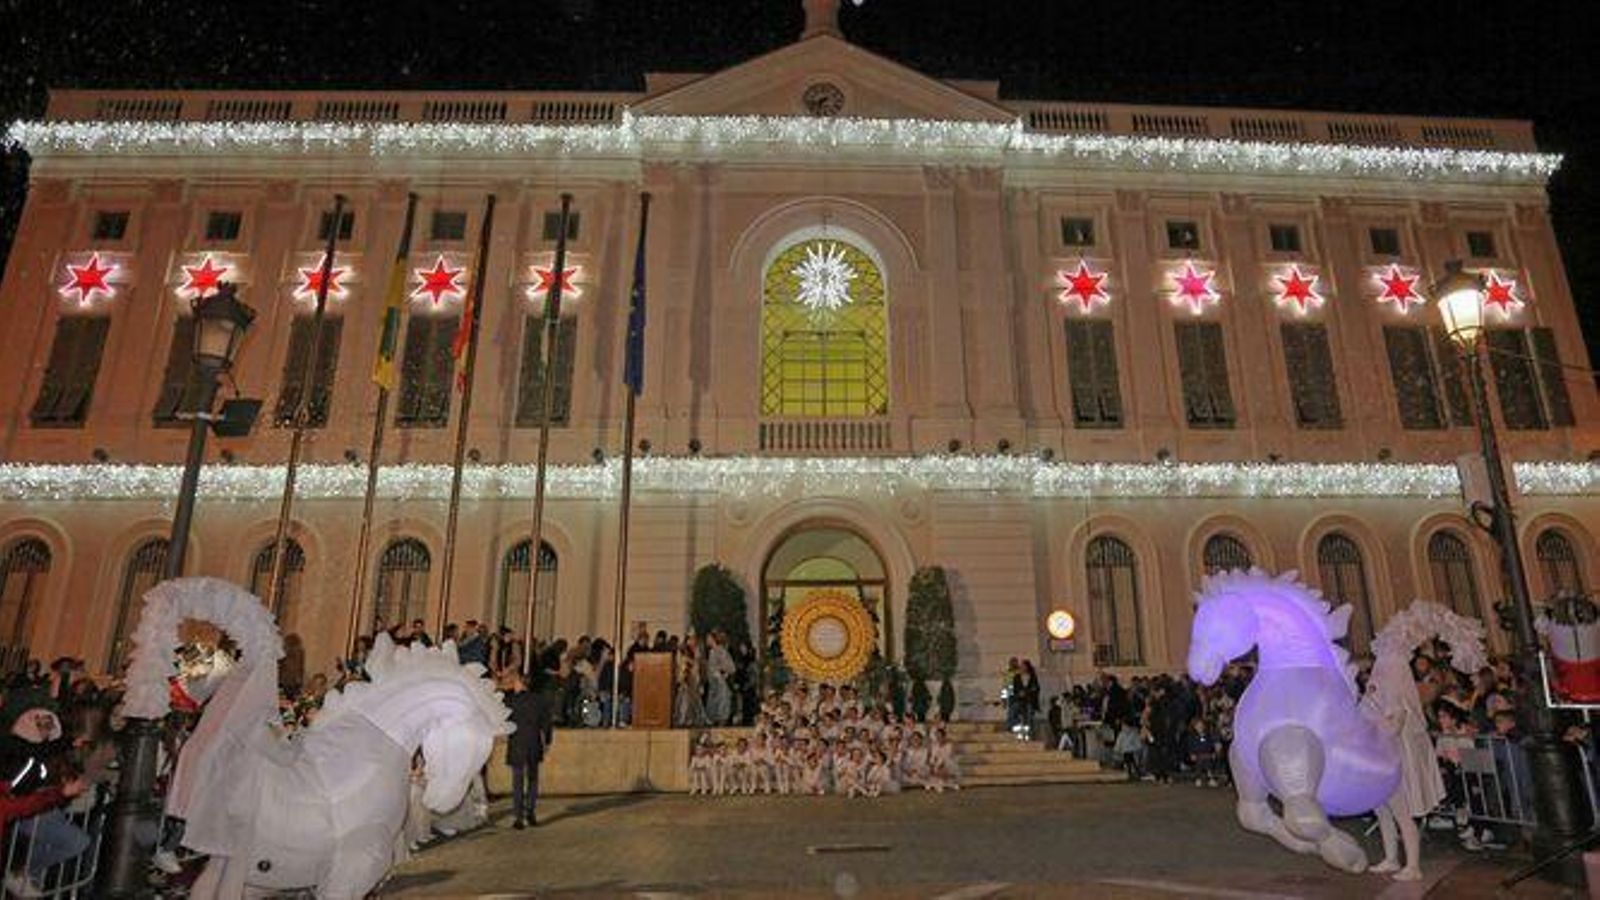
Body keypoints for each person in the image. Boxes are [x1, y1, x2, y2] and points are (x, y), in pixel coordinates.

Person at [0, 691, 91, 897]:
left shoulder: (35, 749)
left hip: (34, 807)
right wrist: (61, 792)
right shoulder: (15, 748)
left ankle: (23, 874)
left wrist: (69, 743)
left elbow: (44, 749)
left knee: (69, 843)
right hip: (24, 809)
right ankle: (18, 872)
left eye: (49, 724)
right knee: (76, 842)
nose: (44, 729)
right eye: (39, 723)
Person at [505, 670, 555, 829]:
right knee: (533, 780)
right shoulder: (539, 700)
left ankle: (518, 817)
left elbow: (504, 721)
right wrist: (547, 741)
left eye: (515, 682)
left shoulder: (511, 701)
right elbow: (547, 724)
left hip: (517, 743)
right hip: (533, 742)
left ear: (520, 683)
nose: (513, 685)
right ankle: (531, 812)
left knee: (517, 781)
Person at [705, 632, 735, 726]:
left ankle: (722, 721)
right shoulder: (712, 651)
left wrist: (723, 672)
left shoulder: (720, 650)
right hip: (713, 682)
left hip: (720, 681)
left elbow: (730, 667)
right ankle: (715, 720)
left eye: (708, 638)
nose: (707, 640)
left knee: (722, 700)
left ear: (713, 639)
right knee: (714, 700)